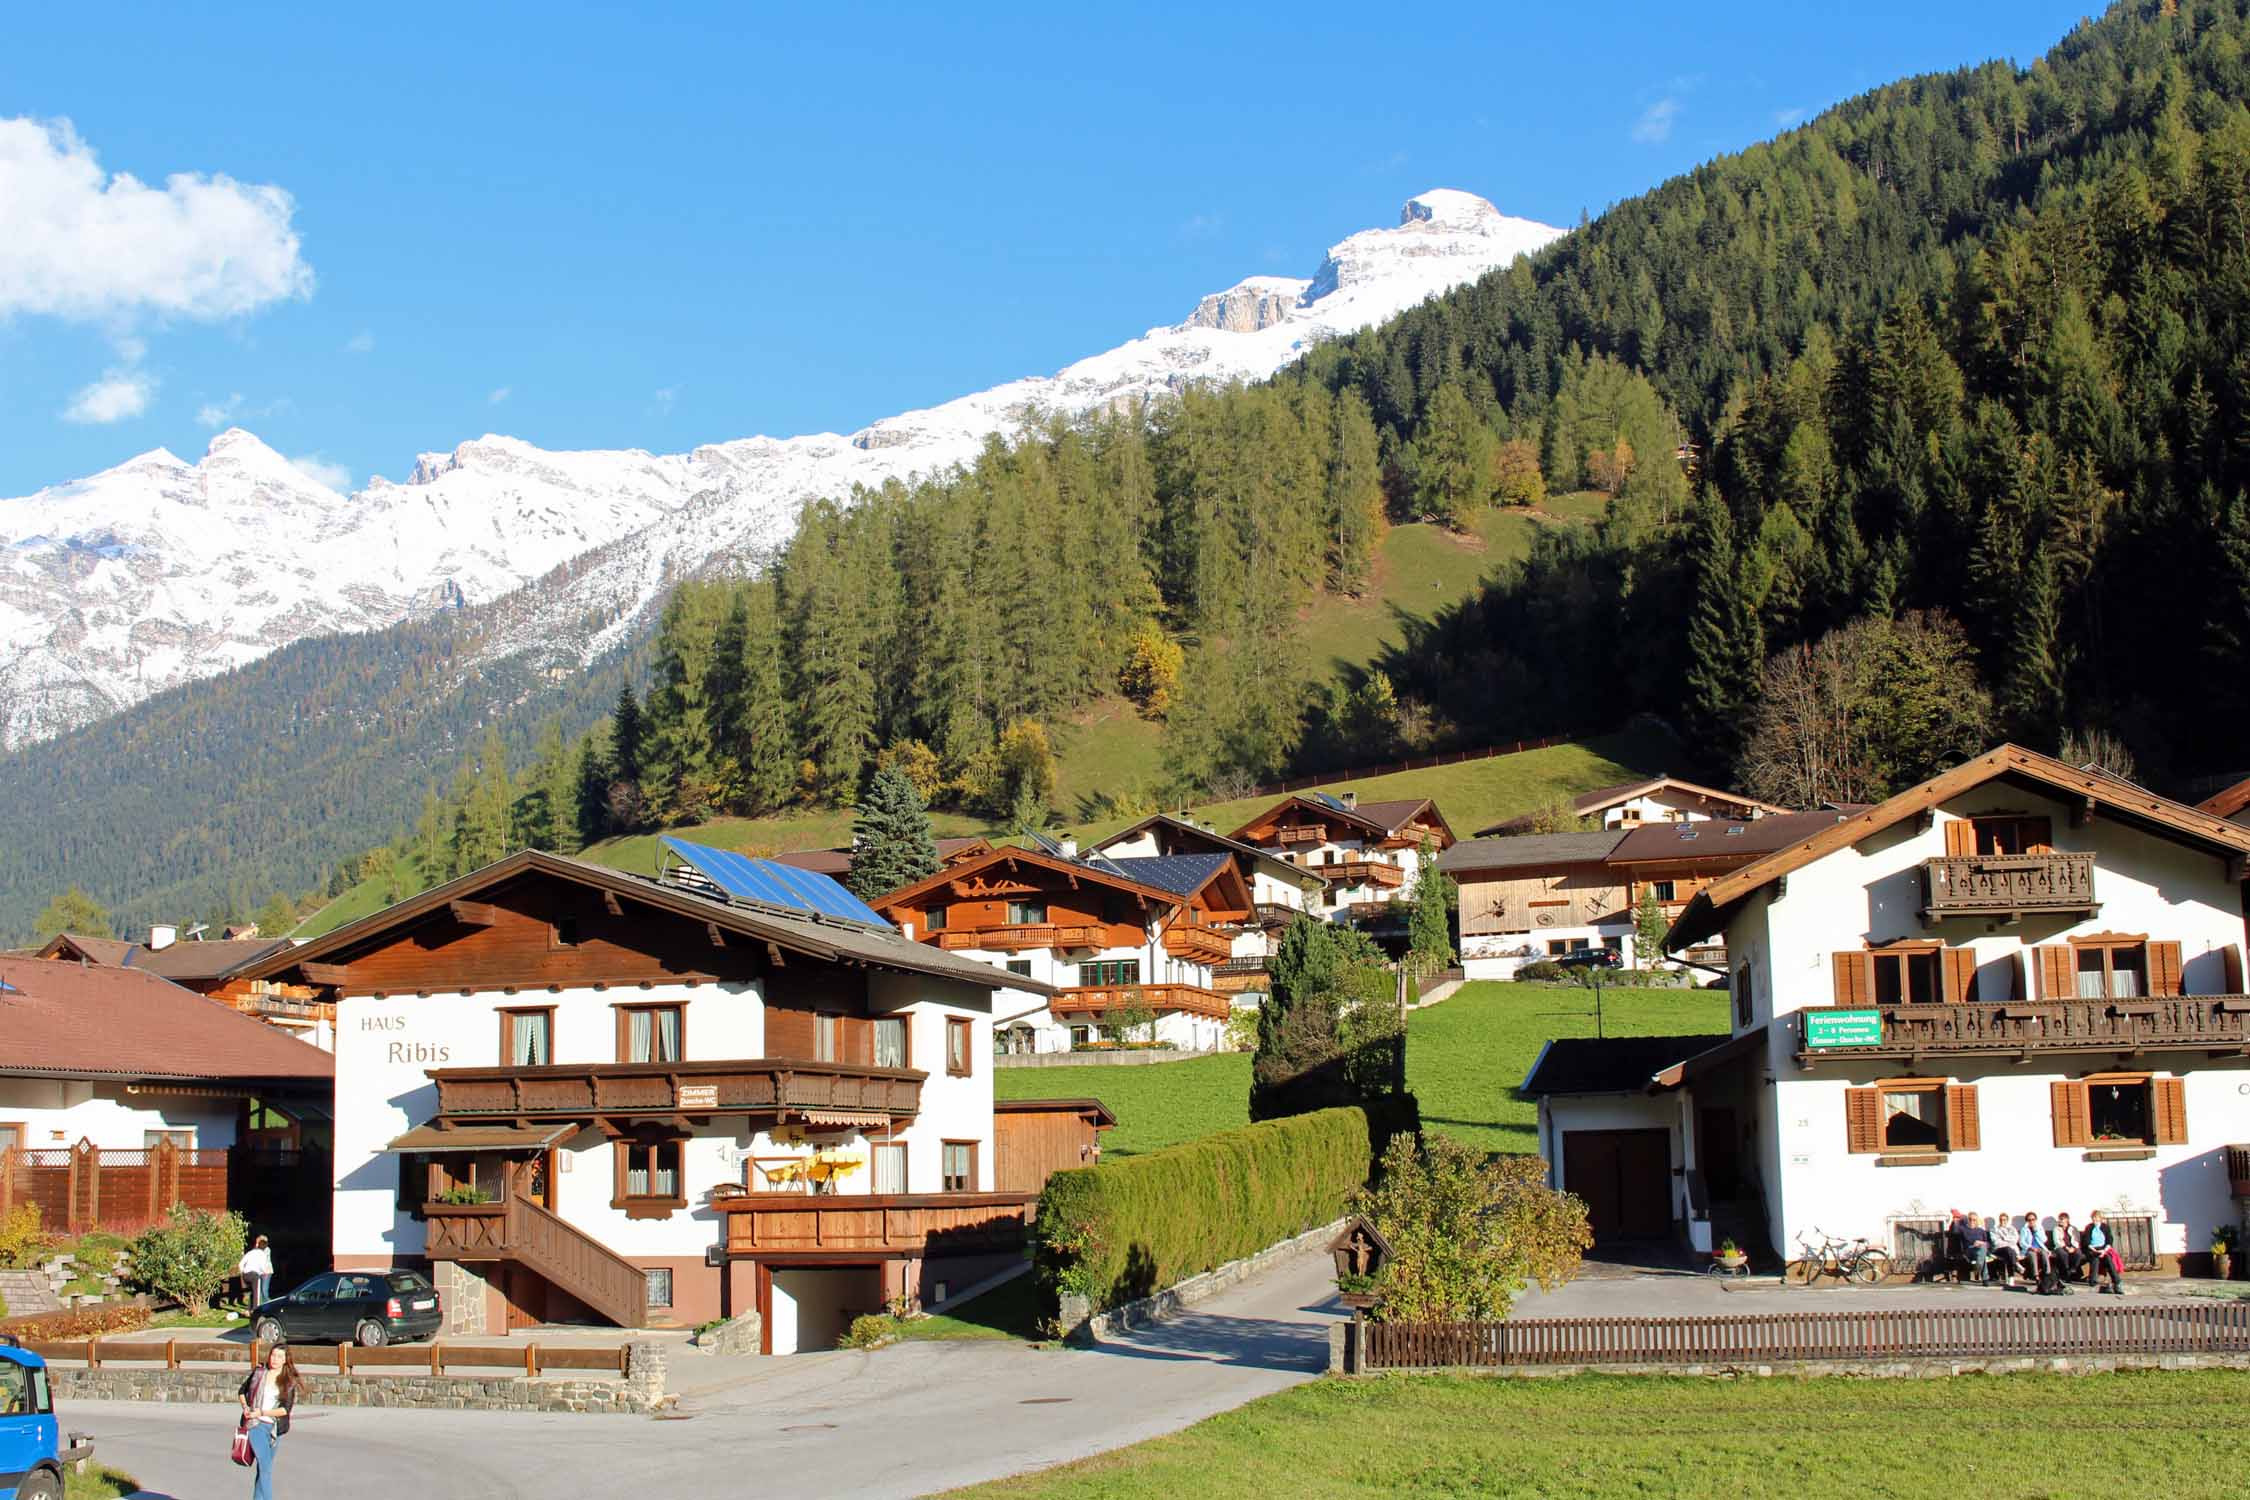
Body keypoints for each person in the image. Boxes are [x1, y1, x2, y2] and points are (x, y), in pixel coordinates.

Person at [238, 1341, 299, 1500]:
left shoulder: (288, 1380)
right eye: (273, 1355)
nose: (275, 1359)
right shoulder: (259, 1372)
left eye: (279, 1356)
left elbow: (285, 1409)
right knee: (265, 1469)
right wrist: (246, 1407)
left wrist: (263, 1412)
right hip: (255, 1425)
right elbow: (242, 1392)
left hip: (273, 1429)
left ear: (286, 1359)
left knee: (262, 1470)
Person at [2082, 1210, 2125, 1294]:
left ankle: (2117, 1281)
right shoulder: (2089, 1227)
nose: (2094, 1219)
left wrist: (2104, 1250)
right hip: (2092, 1248)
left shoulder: (2105, 1227)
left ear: (2100, 1218)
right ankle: (2093, 1280)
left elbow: (2109, 1240)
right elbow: (2086, 1240)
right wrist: (2093, 1249)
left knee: (2108, 1258)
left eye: (2096, 1217)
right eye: (2093, 1217)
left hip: (2103, 1248)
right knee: (2095, 1258)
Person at [239, 1235, 274, 1310]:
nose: (256, 1243)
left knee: (263, 1291)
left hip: (266, 1272)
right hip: (258, 1272)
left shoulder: (266, 1249)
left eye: (258, 1241)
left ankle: (270, 1306)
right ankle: (253, 1308)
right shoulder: (256, 1250)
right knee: (256, 1291)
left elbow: (263, 1262)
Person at [1990, 1212, 2023, 1287]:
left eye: (2004, 1220)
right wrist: (2008, 1242)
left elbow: (2015, 1239)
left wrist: (2004, 1238)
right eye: (2001, 1220)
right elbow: (1996, 1242)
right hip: (1998, 1250)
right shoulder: (1994, 1229)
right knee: (2009, 1250)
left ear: (2007, 1220)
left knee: (2009, 1253)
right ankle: (2015, 1268)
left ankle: (2011, 1276)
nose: (2002, 1221)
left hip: (2010, 1250)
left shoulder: (2012, 1229)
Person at [1960, 1213, 1992, 1285]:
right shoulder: (1963, 1229)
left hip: (1980, 1250)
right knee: (1982, 1254)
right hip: (1969, 1250)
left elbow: (1988, 1244)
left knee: (1982, 1250)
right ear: (1967, 1220)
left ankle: (1978, 1267)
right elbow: (1956, 1232)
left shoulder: (1981, 1230)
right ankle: (1984, 1277)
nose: (1972, 1221)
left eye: (1974, 1220)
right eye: (1970, 1219)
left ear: (1977, 1221)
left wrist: (1981, 1243)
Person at [2053, 1213, 2082, 1285]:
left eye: (2062, 1219)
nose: (2060, 1221)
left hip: (2072, 1247)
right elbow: (2057, 1241)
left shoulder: (2073, 1228)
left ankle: (2073, 1268)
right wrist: (2066, 1247)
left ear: (2067, 1220)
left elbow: (2077, 1239)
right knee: (2063, 1254)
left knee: (2078, 1253)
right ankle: (2067, 1271)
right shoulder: (2056, 1229)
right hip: (2061, 1247)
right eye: (2060, 1219)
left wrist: (2074, 1248)